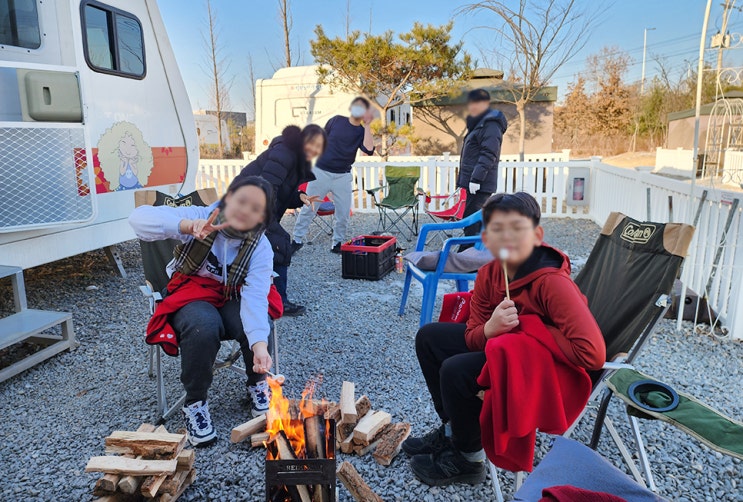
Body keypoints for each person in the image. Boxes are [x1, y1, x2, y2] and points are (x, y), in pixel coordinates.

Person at [403, 192, 606, 485]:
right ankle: (454, 430)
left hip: (545, 366)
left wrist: (526, 326)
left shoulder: (551, 282)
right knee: (430, 338)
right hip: (504, 346)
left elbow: (591, 354)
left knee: (456, 371)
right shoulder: (489, 275)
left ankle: (469, 459)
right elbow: (474, 334)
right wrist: (490, 329)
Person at [129, 176, 275, 446]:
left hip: (231, 293)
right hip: (191, 291)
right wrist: (185, 225)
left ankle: (257, 383)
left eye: (256, 209)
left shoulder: (260, 246)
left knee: (259, 326)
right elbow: (138, 219)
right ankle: (195, 404)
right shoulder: (203, 216)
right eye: (241, 201)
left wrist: (260, 346)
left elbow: (254, 298)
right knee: (202, 327)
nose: (245, 211)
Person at [238, 124, 326, 317]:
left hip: (254, 203)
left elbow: (282, 189)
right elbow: (266, 188)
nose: (314, 149)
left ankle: (261, 293)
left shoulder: (295, 157)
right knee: (280, 243)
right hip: (247, 204)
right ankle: (280, 302)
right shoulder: (285, 153)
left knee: (263, 247)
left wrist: (300, 196)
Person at [292, 97, 375, 253]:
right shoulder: (336, 120)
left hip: (342, 176)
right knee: (309, 208)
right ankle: (296, 240)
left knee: (343, 213)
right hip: (321, 172)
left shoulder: (361, 131)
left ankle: (337, 243)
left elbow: (368, 150)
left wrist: (368, 125)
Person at [457, 89, 508, 239]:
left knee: (472, 223)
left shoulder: (490, 125)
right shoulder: (478, 124)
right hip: (472, 183)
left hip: (479, 184)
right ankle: (473, 254)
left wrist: (476, 179)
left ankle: (468, 255)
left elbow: (489, 153)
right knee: (472, 221)